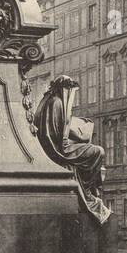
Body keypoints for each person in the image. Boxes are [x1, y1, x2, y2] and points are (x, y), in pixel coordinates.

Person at [35, 75, 111, 224]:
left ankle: (88, 189)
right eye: (70, 90)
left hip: (59, 146)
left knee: (94, 151)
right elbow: (58, 134)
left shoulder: (51, 101)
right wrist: (79, 138)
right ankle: (87, 189)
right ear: (64, 89)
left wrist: (80, 135)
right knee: (98, 152)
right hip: (60, 150)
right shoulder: (56, 103)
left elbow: (63, 127)